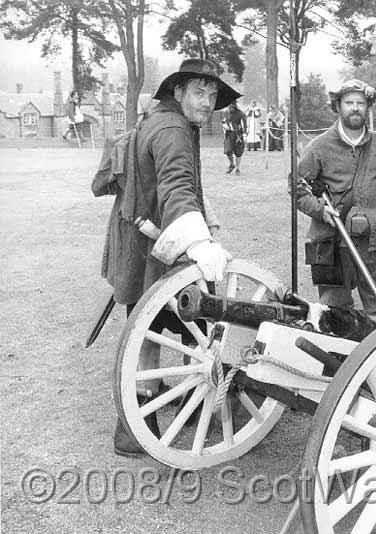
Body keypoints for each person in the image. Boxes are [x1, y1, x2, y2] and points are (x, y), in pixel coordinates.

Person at [100, 58, 240, 456]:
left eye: (213, 95)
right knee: (156, 328)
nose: (207, 102)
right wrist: (197, 243)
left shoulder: (165, 119)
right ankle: (135, 425)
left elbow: (181, 183)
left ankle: (155, 408)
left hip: (145, 238)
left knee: (149, 328)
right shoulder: (173, 128)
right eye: (199, 92)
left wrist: (205, 216)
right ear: (177, 92)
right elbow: (177, 185)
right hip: (155, 244)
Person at [294, 79, 376, 316]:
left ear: (367, 107)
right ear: (338, 106)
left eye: (361, 103)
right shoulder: (319, 146)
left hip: (372, 242)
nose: (355, 108)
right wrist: (320, 210)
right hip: (332, 242)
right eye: (349, 102)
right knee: (335, 312)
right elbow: (297, 187)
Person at [222, 98, 246, 174]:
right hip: (229, 134)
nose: (229, 108)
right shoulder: (226, 113)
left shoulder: (240, 114)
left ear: (234, 106)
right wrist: (225, 126)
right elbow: (223, 121)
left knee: (238, 152)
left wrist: (244, 135)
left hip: (238, 135)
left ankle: (237, 168)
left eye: (231, 107)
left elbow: (244, 125)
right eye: (228, 106)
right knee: (228, 150)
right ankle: (232, 164)